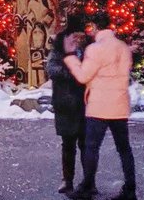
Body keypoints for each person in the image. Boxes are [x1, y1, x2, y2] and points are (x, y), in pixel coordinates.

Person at [63, 11, 138, 200]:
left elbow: (83, 76)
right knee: (124, 148)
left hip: (99, 106)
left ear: (96, 27)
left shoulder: (96, 49)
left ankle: (87, 186)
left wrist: (71, 58)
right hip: (120, 105)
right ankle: (130, 188)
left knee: (91, 147)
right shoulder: (123, 47)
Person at [44, 13, 89, 195]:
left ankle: (88, 180)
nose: (78, 39)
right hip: (65, 103)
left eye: (81, 36)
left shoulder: (89, 48)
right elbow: (51, 69)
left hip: (86, 103)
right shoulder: (59, 49)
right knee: (68, 145)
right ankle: (67, 179)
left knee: (87, 145)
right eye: (75, 36)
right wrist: (74, 72)